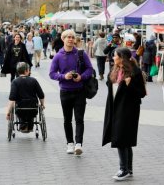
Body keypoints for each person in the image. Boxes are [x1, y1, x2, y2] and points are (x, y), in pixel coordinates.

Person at [102, 47, 146, 181]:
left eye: (115, 56)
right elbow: (110, 84)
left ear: (122, 58)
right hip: (115, 108)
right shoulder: (115, 69)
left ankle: (123, 169)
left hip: (128, 110)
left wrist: (130, 84)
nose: (112, 57)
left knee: (120, 138)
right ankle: (129, 169)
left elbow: (141, 93)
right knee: (125, 140)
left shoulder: (135, 72)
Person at [49, 29, 93, 156]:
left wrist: (81, 76)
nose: (71, 39)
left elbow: (90, 69)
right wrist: (63, 77)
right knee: (67, 119)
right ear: (63, 39)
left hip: (80, 91)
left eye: (73, 37)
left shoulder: (80, 53)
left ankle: (78, 144)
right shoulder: (58, 56)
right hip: (65, 92)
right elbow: (52, 74)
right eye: (68, 37)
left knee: (79, 119)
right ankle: (70, 143)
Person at [6, 62, 45, 132]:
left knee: (22, 112)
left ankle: (24, 126)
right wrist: (42, 104)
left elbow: (12, 98)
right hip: (33, 108)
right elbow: (41, 95)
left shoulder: (15, 82)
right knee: (30, 112)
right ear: (26, 71)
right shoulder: (33, 80)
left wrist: (8, 112)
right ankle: (29, 126)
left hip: (20, 108)